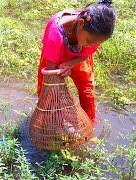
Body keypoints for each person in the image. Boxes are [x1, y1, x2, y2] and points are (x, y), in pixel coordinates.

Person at [37, 0, 117, 129]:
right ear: (80, 24)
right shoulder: (55, 31)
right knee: (46, 92)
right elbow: (50, 74)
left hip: (78, 57)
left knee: (87, 91)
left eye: (97, 43)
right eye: (90, 41)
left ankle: (88, 126)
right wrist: (59, 73)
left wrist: (71, 64)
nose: (92, 45)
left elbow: (86, 54)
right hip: (54, 57)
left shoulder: (93, 35)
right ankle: (52, 122)